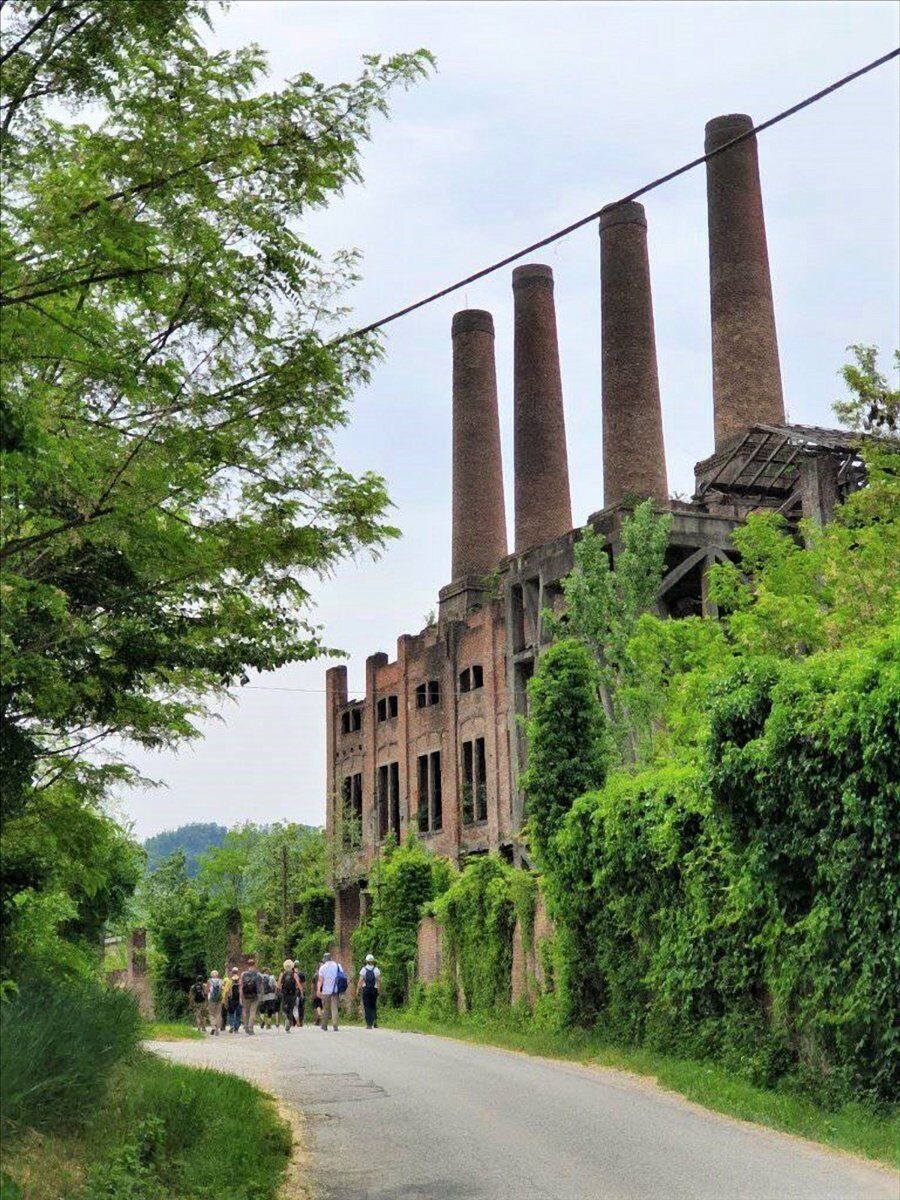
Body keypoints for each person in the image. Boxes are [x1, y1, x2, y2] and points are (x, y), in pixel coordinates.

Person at [316, 951, 345, 1032]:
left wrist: (318, 990)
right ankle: (335, 1025)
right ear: (330, 958)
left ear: (324, 959)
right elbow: (342, 976)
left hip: (326, 991)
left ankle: (324, 1025)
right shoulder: (337, 965)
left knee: (326, 1009)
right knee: (334, 1008)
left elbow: (320, 980)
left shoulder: (322, 968)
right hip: (335, 990)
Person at [356, 954, 381, 1030]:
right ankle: (375, 1022)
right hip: (374, 989)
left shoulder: (363, 969)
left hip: (366, 990)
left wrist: (357, 989)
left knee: (367, 1006)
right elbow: (379, 981)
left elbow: (360, 980)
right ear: (373, 961)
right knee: (373, 1005)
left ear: (366, 961)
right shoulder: (376, 969)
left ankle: (369, 1024)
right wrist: (379, 989)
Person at [240, 956, 262, 1034]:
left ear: (247, 965)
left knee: (246, 1011)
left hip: (245, 995)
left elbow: (241, 985)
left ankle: (246, 1027)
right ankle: (251, 1028)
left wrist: (240, 996)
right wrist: (260, 995)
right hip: (255, 995)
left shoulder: (243, 974)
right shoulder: (258, 974)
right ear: (254, 964)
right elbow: (260, 986)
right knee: (253, 1012)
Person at [277, 959, 301, 1032]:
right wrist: (301, 991)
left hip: (284, 994)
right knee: (291, 1009)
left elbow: (278, 985)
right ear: (292, 966)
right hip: (292, 994)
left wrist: (279, 989)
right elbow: (298, 984)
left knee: (284, 1009)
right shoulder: (294, 974)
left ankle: (286, 1019)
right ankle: (289, 1025)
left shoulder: (282, 974)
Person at [225, 968, 242, 1033]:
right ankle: (236, 1028)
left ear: (232, 972)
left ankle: (231, 1025)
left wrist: (225, 1000)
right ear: (237, 972)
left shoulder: (229, 981)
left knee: (231, 1013)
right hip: (239, 999)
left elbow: (226, 992)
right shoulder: (240, 980)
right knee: (238, 1014)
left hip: (231, 999)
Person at [207, 970, 223, 1035]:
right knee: (218, 1013)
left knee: (211, 1013)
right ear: (217, 975)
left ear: (211, 975)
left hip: (211, 999)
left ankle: (213, 1026)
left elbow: (206, 990)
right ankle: (217, 1028)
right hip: (219, 999)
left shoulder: (209, 981)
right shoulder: (220, 981)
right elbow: (222, 989)